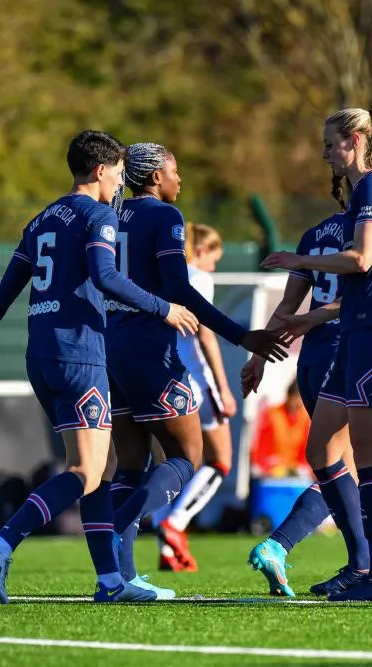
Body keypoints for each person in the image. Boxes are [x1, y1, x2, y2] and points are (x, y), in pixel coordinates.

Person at [0, 130, 200, 603]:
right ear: (101, 171)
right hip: (80, 353)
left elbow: (4, 292)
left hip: (41, 354)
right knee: (85, 470)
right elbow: (106, 276)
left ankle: (110, 582)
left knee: (97, 471)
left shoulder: (41, 220)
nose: (122, 184)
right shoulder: (98, 215)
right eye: (120, 173)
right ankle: (2, 541)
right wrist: (164, 308)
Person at [105, 142, 289, 599]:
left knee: (129, 464)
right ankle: (124, 521)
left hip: (108, 347)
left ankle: (118, 577)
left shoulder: (110, 213)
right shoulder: (165, 217)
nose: (179, 179)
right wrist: (244, 336)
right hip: (151, 349)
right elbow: (177, 290)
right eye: (174, 171)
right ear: (154, 178)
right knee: (190, 456)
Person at [260, 106, 372, 602]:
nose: (325, 152)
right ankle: (361, 566)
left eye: (331, 143)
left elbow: (362, 260)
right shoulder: (359, 203)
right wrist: (309, 319)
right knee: (322, 450)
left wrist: (299, 259)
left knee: (370, 460)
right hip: (355, 332)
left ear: (354, 140)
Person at [151, 223, 239, 572]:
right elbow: (206, 336)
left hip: (161, 376)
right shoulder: (198, 277)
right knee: (219, 461)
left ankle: (167, 548)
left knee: (170, 463)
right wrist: (224, 386)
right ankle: (177, 523)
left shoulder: (160, 273)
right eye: (213, 259)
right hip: (197, 381)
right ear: (201, 251)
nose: (213, 267)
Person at [250, 380, 312, 478]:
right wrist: (266, 465)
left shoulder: (304, 419)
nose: (298, 404)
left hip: (295, 473)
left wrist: (302, 468)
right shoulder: (272, 414)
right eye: (296, 398)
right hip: (271, 471)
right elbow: (261, 445)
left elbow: (305, 448)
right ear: (289, 397)